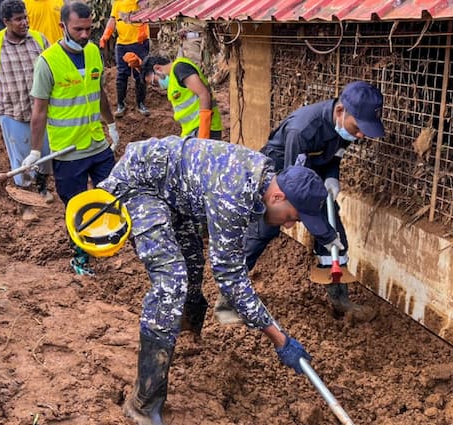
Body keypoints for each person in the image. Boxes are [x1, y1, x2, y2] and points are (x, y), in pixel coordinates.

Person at [97, 136, 321, 424]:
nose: (289, 224)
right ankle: (143, 401)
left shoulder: (262, 177)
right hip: (140, 185)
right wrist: (280, 339)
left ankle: (187, 334)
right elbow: (229, 276)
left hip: (174, 191)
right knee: (171, 281)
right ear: (278, 197)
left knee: (192, 262)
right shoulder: (236, 192)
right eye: (292, 216)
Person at [216, 81, 385, 325]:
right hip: (279, 175)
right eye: (358, 128)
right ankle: (227, 299)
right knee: (261, 232)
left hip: (310, 178)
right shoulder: (303, 129)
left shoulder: (344, 128)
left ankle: (340, 300)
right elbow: (292, 183)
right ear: (340, 111)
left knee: (334, 232)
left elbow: (333, 158)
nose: (360, 135)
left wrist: (331, 178)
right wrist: (317, 225)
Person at [23, 1, 119, 275]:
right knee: (76, 207)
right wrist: (34, 151)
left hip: (97, 144)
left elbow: (98, 93)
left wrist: (111, 125)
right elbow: (39, 112)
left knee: (109, 195)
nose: (85, 35)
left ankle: (104, 241)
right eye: (78, 29)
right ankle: (80, 256)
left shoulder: (93, 53)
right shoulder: (47, 63)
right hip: (67, 151)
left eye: (89, 29)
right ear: (62, 26)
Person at [0, 0, 53, 222]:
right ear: (6, 22)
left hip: (41, 111)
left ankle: (42, 187)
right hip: (12, 111)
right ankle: (25, 205)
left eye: (25, 17)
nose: (24, 23)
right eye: (19, 19)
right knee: (21, 161)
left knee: (45, 154)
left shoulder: (39, 40)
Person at [140, 55, 223, 139]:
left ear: (158, 69)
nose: (158, 86)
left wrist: (203, 133)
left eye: (154, 82)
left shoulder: (180, 68)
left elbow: (204, 94)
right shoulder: (173, 80)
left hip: (205, 129)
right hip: (192, 132)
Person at [99, 0, 151, 117]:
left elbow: (147, 8)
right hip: (122, 44)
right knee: (122, 74)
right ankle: (120, 105)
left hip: (139, 42)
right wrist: (105, 35)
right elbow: (113, 20)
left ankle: (141, 104)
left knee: (140, 74)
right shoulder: (117, 2)